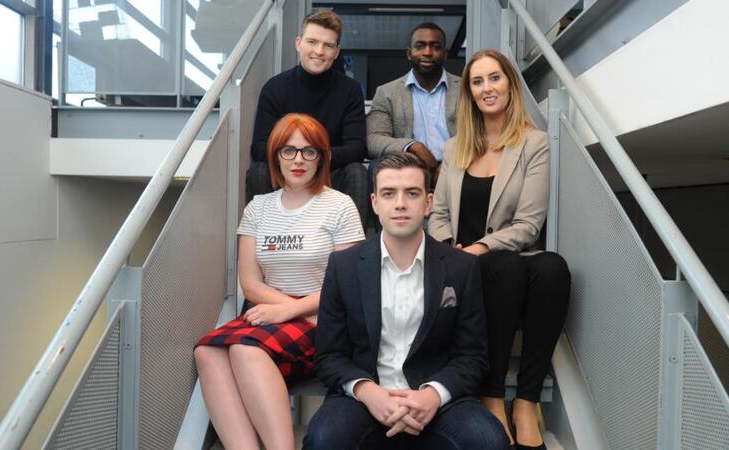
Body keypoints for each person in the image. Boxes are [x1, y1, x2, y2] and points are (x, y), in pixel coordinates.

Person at [304, 153, 510, 450]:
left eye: (411, 193)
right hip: (364, 401)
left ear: (428, 203)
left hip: (438, 402)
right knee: (325, 440)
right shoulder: (343, 266)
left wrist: (433, 395)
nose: (400, 203)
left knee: (489, 442)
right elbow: (329, 356)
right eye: (389, 193)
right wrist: (367, 392)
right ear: (374, 203)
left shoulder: (461, 268)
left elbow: (472, 356)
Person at [194, 113, 365, 450]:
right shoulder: (259, 207)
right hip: (271, 315)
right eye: (288, 151)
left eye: (308, 151)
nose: (298, 160)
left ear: (322, 157)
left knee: (245, 349)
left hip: (324, 319)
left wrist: (287, 312)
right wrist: (284, 310)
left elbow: (348, 285)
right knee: (207, 352)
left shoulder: (340, 206)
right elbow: (250, 281)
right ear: (275, 156)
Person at [428, 49, 571, 450]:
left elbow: (529, 225)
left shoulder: (534, 143)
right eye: (477, 82)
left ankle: (525, 402)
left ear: (510, 82)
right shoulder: (455, 147)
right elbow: (437, 214)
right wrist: (448, 248)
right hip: (463, 265)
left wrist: (479, 247)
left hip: (506, 258)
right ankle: (491, 396)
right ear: (469, 93)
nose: (487, 88)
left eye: (494, 78)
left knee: (553, 269)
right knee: (505, 267)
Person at [247, 10, 368, 225]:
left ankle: (353, 253)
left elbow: (357, 148)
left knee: (356, 172)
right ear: (298, 43)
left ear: (337, 51)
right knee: (258, 171)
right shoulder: (274, 87)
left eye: (328, 45)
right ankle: (261, 238)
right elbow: (259, 147)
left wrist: (314, 157)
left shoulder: (350, 90)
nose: (319, 51)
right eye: (312, 42)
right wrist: (295, 159)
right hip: (287, 173)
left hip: (329, 173)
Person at [367, 22, 460, 186]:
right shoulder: (387, 93)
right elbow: (373, 140)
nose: (427, 52)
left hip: (458, 165)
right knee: (376, 167)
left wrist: (449, 163)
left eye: (435, 47)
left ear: (445, 54)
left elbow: (479, 133)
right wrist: (413, 146)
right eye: (420, 46)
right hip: (407, 168)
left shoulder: (465, 89)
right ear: (409, 53)